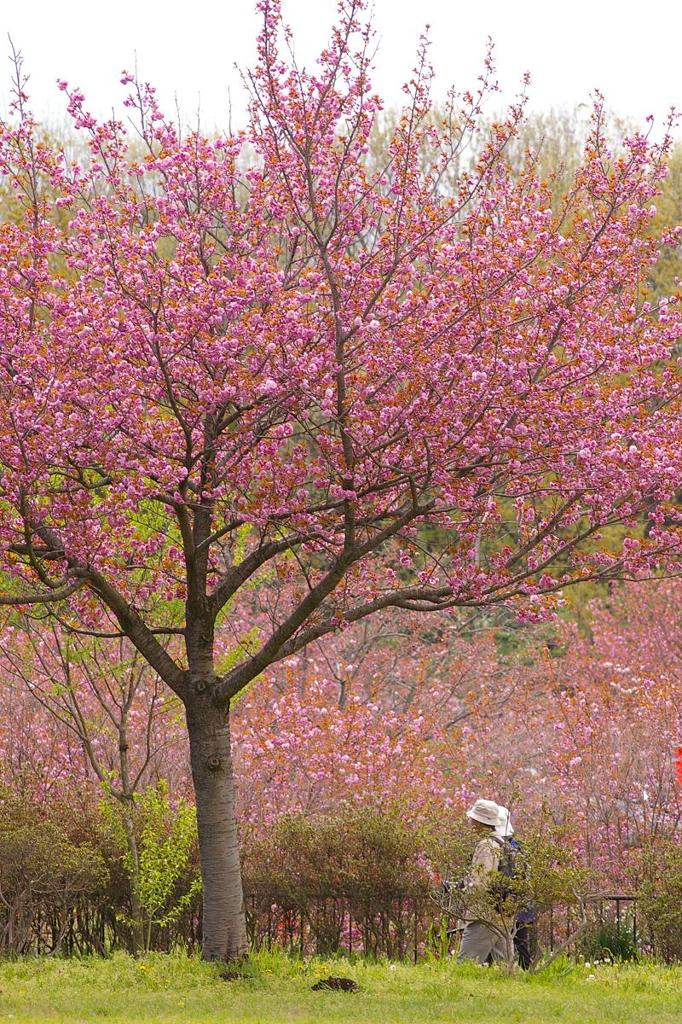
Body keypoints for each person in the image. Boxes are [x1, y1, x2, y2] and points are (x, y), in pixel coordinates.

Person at [456, 799, 513, 965]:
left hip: (484, 914)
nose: (470, 822)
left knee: (465, 963)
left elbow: (482, 881)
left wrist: (465, 894)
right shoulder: (503, 844)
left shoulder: (486, 845)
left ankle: (457, 991)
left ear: (480, 823)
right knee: (505, 966)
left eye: (473, 819)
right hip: (501, 912)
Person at [494, 805, 536, 971]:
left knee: (512, 940)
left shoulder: (506, 848)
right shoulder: (518, 846)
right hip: (523, 902)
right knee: (521, 941)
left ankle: (516, 970)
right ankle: (526, 971)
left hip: (512, 902)